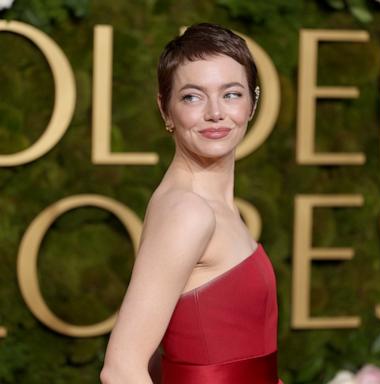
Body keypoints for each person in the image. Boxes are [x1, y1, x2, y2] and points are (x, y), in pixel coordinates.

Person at [100, 22, 281, 384]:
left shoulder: (207, 203)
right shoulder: (188, 211)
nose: (216, 113)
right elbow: (120, 370)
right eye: (192, 96)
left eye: (231, 94)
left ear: (253, 101)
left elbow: (161, 355)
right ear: (165, 109)